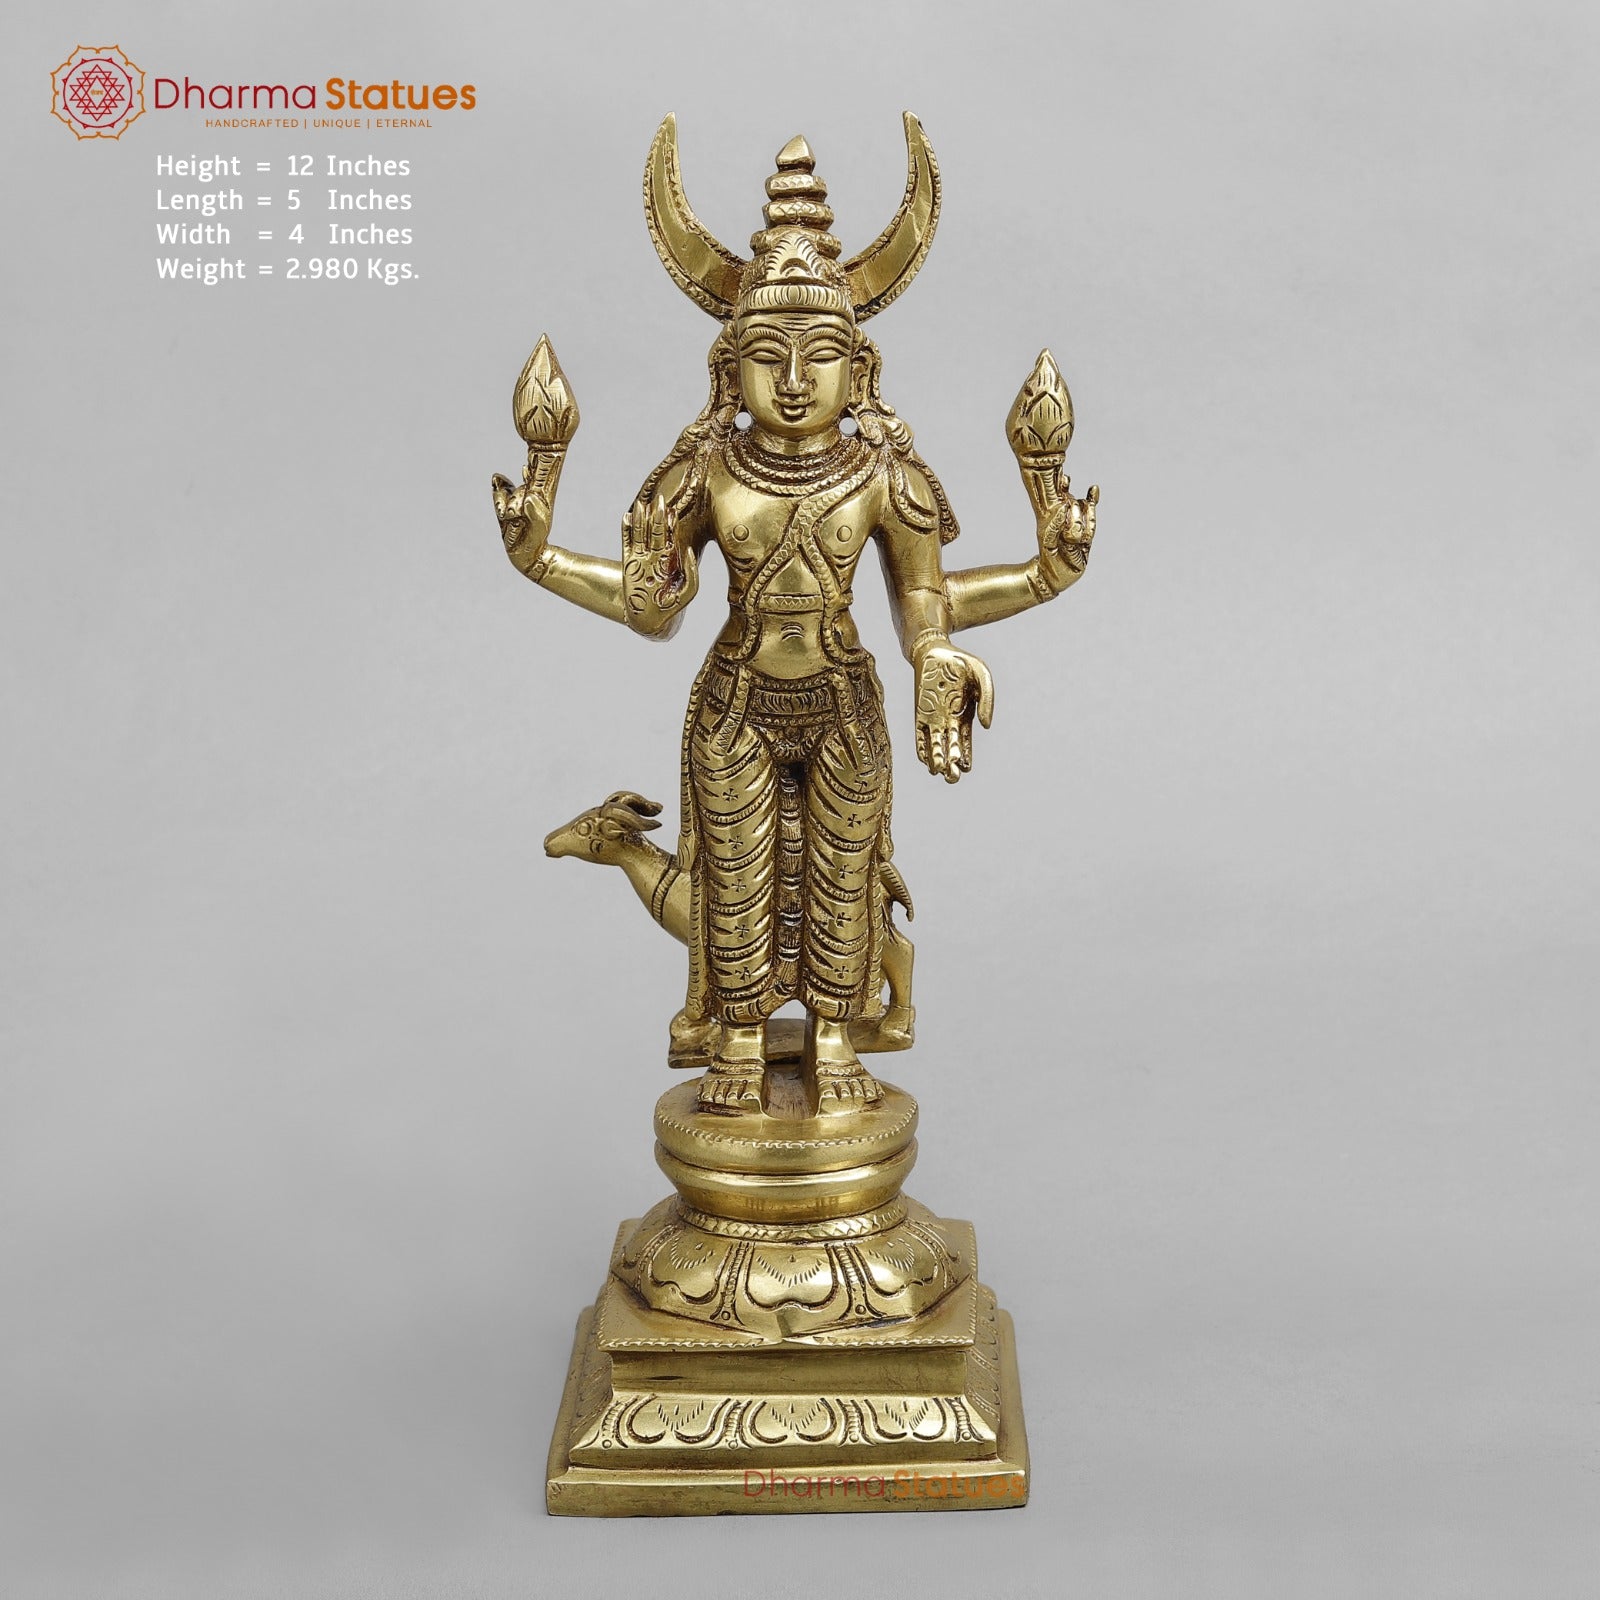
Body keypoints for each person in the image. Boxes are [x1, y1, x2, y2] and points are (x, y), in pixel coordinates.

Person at [493, 120, 1095, 1114]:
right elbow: (650, 608)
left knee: (841, 871)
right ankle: (737, 1037)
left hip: (841, 697)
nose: (793, 380)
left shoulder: (885, 476)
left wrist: (1033, 583)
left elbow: (925, 603)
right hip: (737, 699)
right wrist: (541, 555)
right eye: (767, 355)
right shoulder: (705, 473)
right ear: (729, 369)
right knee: (734, 874)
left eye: (820, 355)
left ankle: (832, 1033)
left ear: (859, 369)